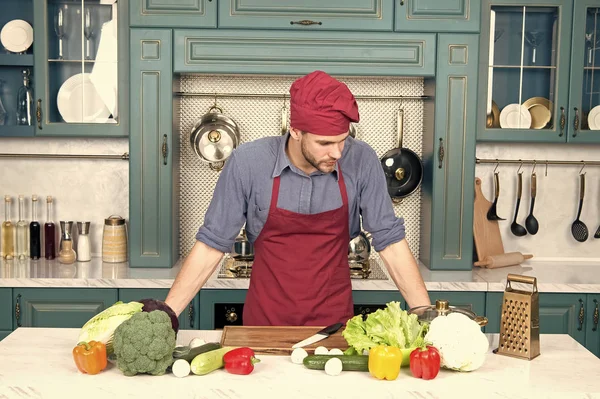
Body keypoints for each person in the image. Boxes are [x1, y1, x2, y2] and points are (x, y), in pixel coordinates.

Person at [165, 70, 430, 326]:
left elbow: (391, 243)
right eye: (324, 143)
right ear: (295, 131)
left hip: (334, 329)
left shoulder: (362, 160)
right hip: (264, 327)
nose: (337, 153)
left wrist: (425, 316)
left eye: (342, 141)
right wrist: (166, 316)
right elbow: (211, 245)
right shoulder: (248, 163)